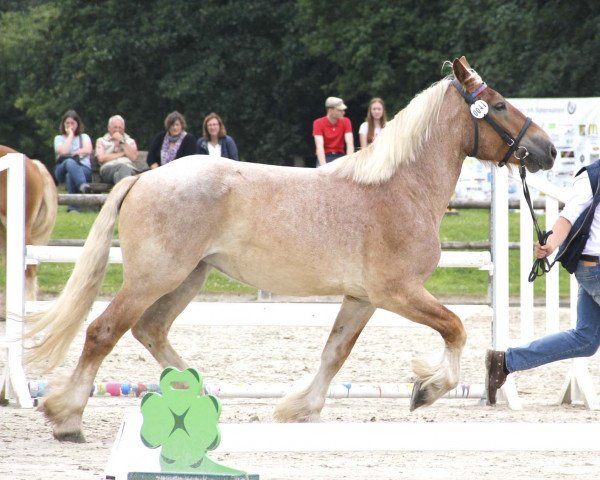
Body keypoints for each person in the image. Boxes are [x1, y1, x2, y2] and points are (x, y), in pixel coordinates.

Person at [486, 159, 600, 405]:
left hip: (592, 268)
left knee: (586, 339)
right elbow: (567, 218)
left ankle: (505, 362)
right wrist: (550, 244)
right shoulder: (592, 176)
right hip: (595, 267)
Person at [53, 110, 93, 211]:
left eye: (72, 123)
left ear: (77, 124)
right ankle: (82, 185)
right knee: (69, 162)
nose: (70, 125)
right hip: (61, 169)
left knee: (70, 174)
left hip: (83, 169)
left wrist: (74, 153)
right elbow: (62, 151)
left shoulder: (84, 137)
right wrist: (70, 135)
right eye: (67, 123)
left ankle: (73, 208)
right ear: (63, 124)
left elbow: (88, 149)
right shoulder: (58, 138)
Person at [94, 115, 139, 185]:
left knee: (118, 175)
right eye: (115, 127)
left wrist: (122, 141)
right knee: (122, 167)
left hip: (129, 169)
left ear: (124, 129)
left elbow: (133, 157)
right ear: (109, 128)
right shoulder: (101, 141)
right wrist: (123, 153)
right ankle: (125, 191)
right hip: (108, 169)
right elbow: (101, 158)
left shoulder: (130, 141)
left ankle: (120, 192)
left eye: (120, 128)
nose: (117, 130)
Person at [313, 96, 354, 166]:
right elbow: (319, 146)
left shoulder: (346, 121)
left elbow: (350, 143)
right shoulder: (318, 123)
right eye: (340, 110)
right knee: (321, 174)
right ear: (330, 110)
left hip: (340, 157)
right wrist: (323, 166)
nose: (343, 112)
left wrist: (349, 163)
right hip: (325, 156)